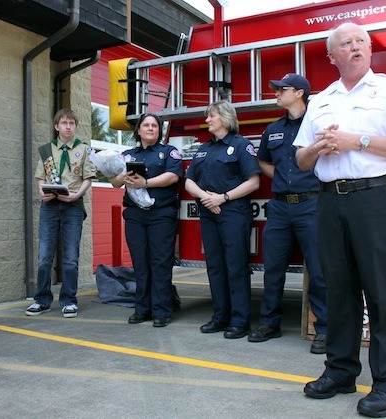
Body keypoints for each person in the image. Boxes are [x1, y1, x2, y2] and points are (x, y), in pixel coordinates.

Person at [294, 23, 386, 418]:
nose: (355, 48)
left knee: (384, 294)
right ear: (331, 56)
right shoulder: (320, 101)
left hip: (376, 198)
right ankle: (339, 372)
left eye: (361, 42)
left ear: (369, 50)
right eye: (346, 44)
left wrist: (359, 141)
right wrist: (318, 147)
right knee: (338, 291)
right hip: (330, 203)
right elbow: (301, 160)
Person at [249, 73, 328, 354]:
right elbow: (262, 160)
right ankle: (270, 323)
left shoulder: (317, 126)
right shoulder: (272, 130)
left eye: (282, 90)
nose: (276, 93)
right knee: (273, 269)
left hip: (312, 204)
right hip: (280, 206)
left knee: (319, 270)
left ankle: (325, 329)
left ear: (299, 93)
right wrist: (282, 177)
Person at [185, 100, 260, 339]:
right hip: (209, 213)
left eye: (212, 116)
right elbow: (189, 181)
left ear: (225, 118)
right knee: (215, 266)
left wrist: (223, 198)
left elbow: (253, 182)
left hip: (234, 214)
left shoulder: (241, 145)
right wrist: (207, 198)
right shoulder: (203, 149)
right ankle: (220, 317)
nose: (207, 120)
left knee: (236, 267)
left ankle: (240, 321)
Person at [110, 113, 182, 327]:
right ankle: (142, 309)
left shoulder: (169, 152)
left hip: (161, 215)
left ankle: (161, 310)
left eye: (154, 125)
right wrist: (121, 177)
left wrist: (146, 183)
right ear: (138, 130)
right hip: (135, 215)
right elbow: (114, 182)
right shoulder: (126, 155)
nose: (150, 128)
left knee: (160, 262)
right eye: (146, 125)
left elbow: (173, 176)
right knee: (140, 263)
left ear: (159, 130)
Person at [26, 108, 96, 318]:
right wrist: (41, 191)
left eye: (72, 123)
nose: (68, 127)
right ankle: (42, 300)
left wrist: (76, 196)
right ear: (56, 126)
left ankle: (68, 300)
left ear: (75, 126)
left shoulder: (83, 149)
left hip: (72, 207)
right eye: (64, 123)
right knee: (44, 256)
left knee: (70, 257)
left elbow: (88, 178)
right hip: (50, 206)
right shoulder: (47, 150)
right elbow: (41, 176)